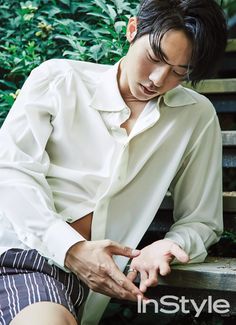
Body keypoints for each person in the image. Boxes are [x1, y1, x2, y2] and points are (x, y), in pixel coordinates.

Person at [0, 0, 228, 324]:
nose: (158, 80)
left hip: (74, 282)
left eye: (180, 72)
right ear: (132, 29)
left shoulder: (195, 117)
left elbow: (202, 221)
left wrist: (169, 244)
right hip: (20, 250)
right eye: (155, 58)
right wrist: (71, 249)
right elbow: (10, 171)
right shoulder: (59, 79)